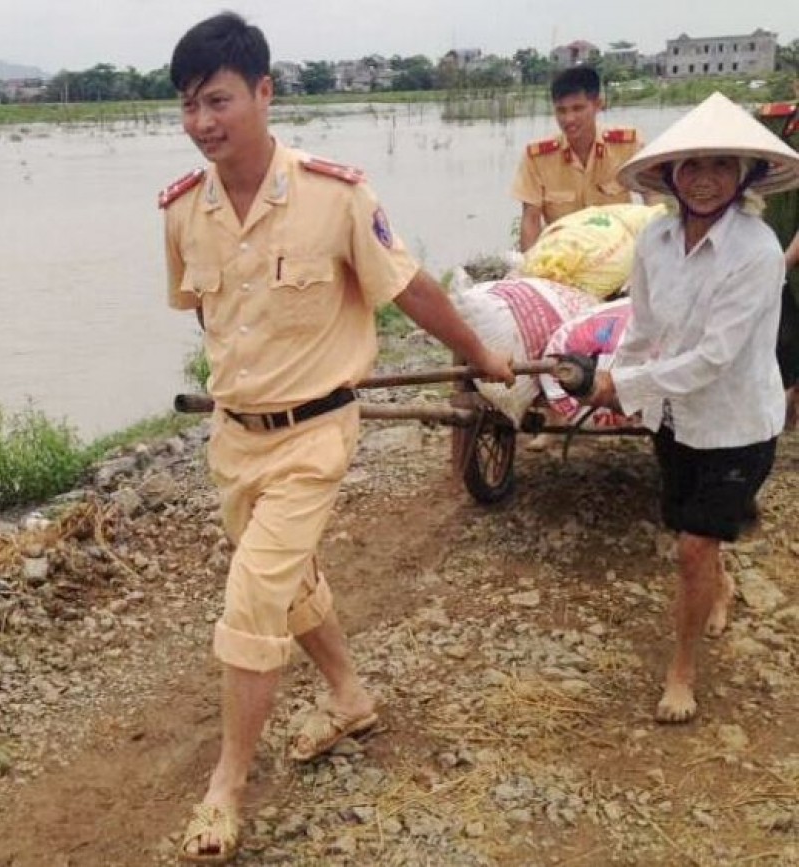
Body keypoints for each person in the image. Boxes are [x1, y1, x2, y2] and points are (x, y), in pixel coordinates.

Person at [160, 12, 513, 864]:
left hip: (316, 435)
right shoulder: (181, 213)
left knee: (252, 601)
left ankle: (228, 784)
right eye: (187, 105)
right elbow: (208, 317)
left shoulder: (335, 195)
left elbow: (410, 288)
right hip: (234, 441)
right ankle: (350, 695)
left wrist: (482, 356)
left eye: (218, 100)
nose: (203, 122)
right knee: (288, 580)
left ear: (264, 92)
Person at [579, 92, 799, 725]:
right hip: (675, 421)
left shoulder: (756, 252)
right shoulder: (654, 240)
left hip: (736, 424)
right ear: (670, 176)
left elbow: (714, 359)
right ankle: (720, 583)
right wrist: (618, 376)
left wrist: (622, 388)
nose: (705, 179)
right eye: (691, 166)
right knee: (692, 533)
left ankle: (682, 668)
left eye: (721, 166)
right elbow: (644, 329)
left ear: (746, 175)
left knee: (690, 551)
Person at [511, 66, 645, 253]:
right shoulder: (537, 157)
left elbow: (654, 200)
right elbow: (530, 219)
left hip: (619, 253)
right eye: (561, 111)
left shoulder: (627, 144)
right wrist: (530, 268)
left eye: (578, 108)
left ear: (598, 104)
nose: (569, 119)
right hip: (565, 257)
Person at [755, 80, 799, 429]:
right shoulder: (774, 124)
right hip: (773, 253)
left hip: (783, 260)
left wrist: (782, 261)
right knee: (779, 338)